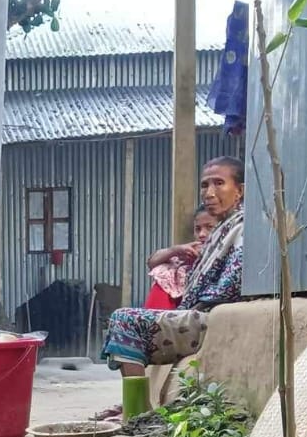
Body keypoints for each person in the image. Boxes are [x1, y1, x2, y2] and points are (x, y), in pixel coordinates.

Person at [102, 156, 246, 378]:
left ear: (240, 190)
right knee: (123, 322)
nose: (209, 193)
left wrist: (192, 306)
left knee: (125, 321)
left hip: (215, 317)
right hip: (198, 312)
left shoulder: (243, 226)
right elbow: (153, 261)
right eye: (205, 185)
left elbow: (232, 284)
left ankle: (137, 409)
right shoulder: (220, 230)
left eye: (219, 183)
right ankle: (136, 407)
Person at [143, 205, 219, 311]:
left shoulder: (226, 252)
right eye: (198, 229)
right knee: (166, 268)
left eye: (209, 227)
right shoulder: (189, 253)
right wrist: (176, 250)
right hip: (179, 307)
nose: (202, 234)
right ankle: (155, 319)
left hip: (205, 306)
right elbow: (152, 262)